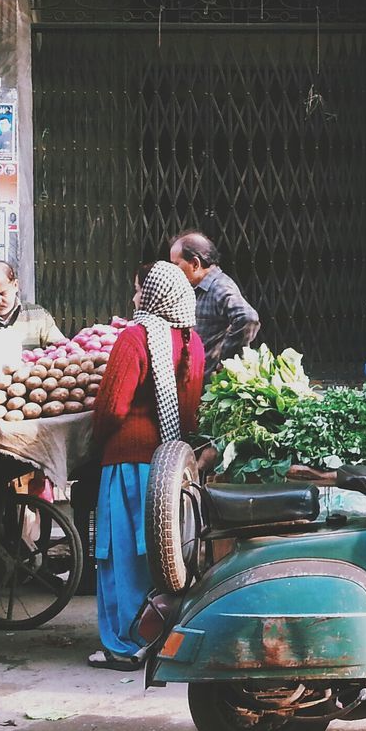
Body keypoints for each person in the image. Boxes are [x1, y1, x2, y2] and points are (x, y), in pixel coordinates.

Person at [89, 261, 206, 669]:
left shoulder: (135, 339)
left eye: (140, 290)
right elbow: (189, 415)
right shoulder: (193, 342)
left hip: (128, 462)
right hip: (171, 466)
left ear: (153, 296)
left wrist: (94, 446)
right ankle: (159, 637)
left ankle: (124, 644)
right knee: (163, 557)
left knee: (121, 555)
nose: (135, 297)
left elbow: (110, 408)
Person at [169, 230, 261, 375]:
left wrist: (227, 360)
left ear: (195, 264)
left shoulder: (220, 287)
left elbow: (248, 318)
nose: (173, 271)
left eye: (176, 264)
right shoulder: (195, 287)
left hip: (207, 384)